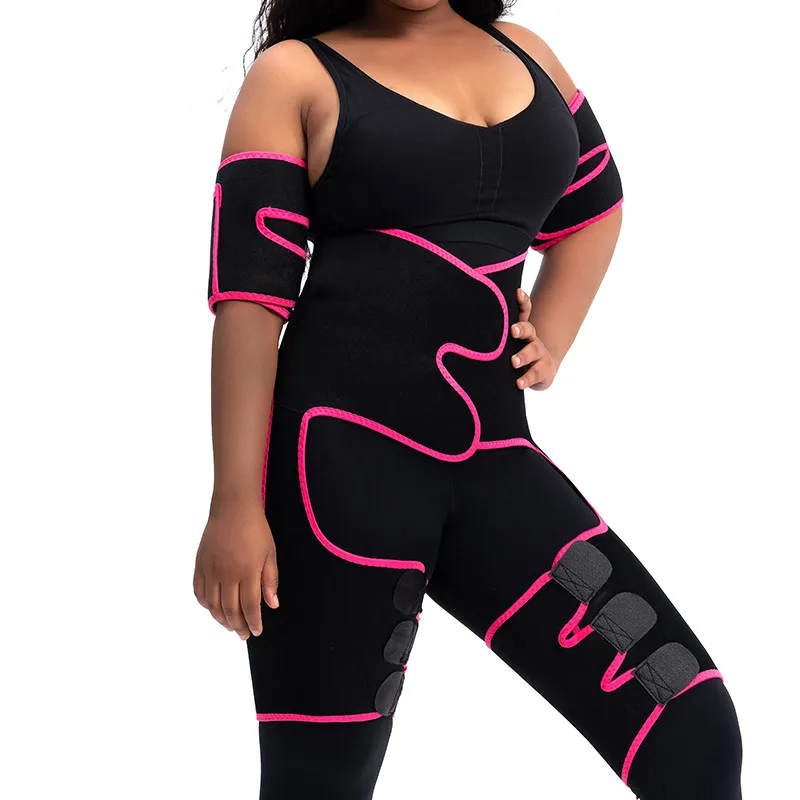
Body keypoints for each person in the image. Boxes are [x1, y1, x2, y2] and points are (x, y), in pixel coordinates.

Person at [193, 1, 744, 797]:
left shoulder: (527, 54)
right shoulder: (296, 75)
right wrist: (236, 505)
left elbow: (595, 203)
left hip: (497, 465)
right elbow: (250, 300)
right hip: (335, 477)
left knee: (691, 729)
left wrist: (551, 333)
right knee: (320, 781)